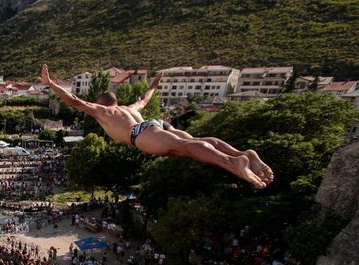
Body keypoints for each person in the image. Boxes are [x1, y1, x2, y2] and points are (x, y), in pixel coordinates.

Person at [41, 65, 274, 189]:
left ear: (101, 102)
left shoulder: (104, 111)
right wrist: (154, 84)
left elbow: (74, 101)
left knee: (186, 148)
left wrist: (51, 84)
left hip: (140, 134)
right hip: (153, 124)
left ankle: (233, 163)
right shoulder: (130, 107)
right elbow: (145, 97)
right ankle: (241, 153)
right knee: (196, 141)